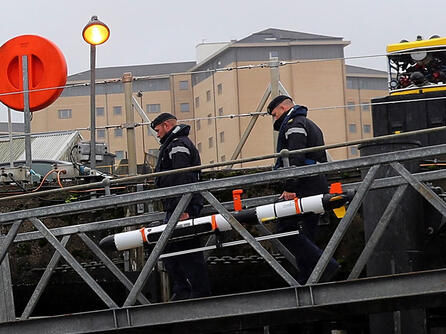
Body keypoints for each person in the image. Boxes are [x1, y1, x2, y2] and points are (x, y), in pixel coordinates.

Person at [267, 95, 340, 285]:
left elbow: (295, 157)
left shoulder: (294, 125)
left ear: (283, 108)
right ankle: (309, 277)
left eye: (275, 114)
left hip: (304, 185)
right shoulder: (307, 123)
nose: (275, 119)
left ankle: (324, 266)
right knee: (306, 234)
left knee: (285, 230)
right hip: (315, 183)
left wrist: (290, 187)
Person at [151, 112, 211, 300]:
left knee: (186, 251)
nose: (158, 134)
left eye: (158, 129)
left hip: (182, 207)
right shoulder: (175, 144)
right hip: (177, 205)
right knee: (172, 252)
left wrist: (182, 208)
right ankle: (183, 290)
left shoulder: (177, 145)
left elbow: (182, 176)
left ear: (167, 125)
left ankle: (195, 292)